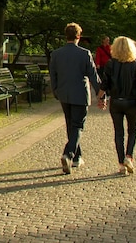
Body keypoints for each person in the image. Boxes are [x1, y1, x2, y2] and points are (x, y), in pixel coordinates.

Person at [96, 36, 136, 175]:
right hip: (132, 102)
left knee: (118, 132)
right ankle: (129, 156)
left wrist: (100, 97)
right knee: (133, 130)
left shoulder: (110, 64)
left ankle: (121, 163)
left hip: (116, 102)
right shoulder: (135, 65)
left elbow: (104, 83)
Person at [49, 22, 99, 175]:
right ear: (79, 36)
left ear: (66, 36)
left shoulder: (56, 54)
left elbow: (53, 75)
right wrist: (101, 93)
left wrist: (56, 91)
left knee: (70, 125)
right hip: (80, 94)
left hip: (64, 94)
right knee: (78, 126)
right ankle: (68, 154)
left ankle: (77, 157)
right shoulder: (84, 53)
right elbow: (93, 75)